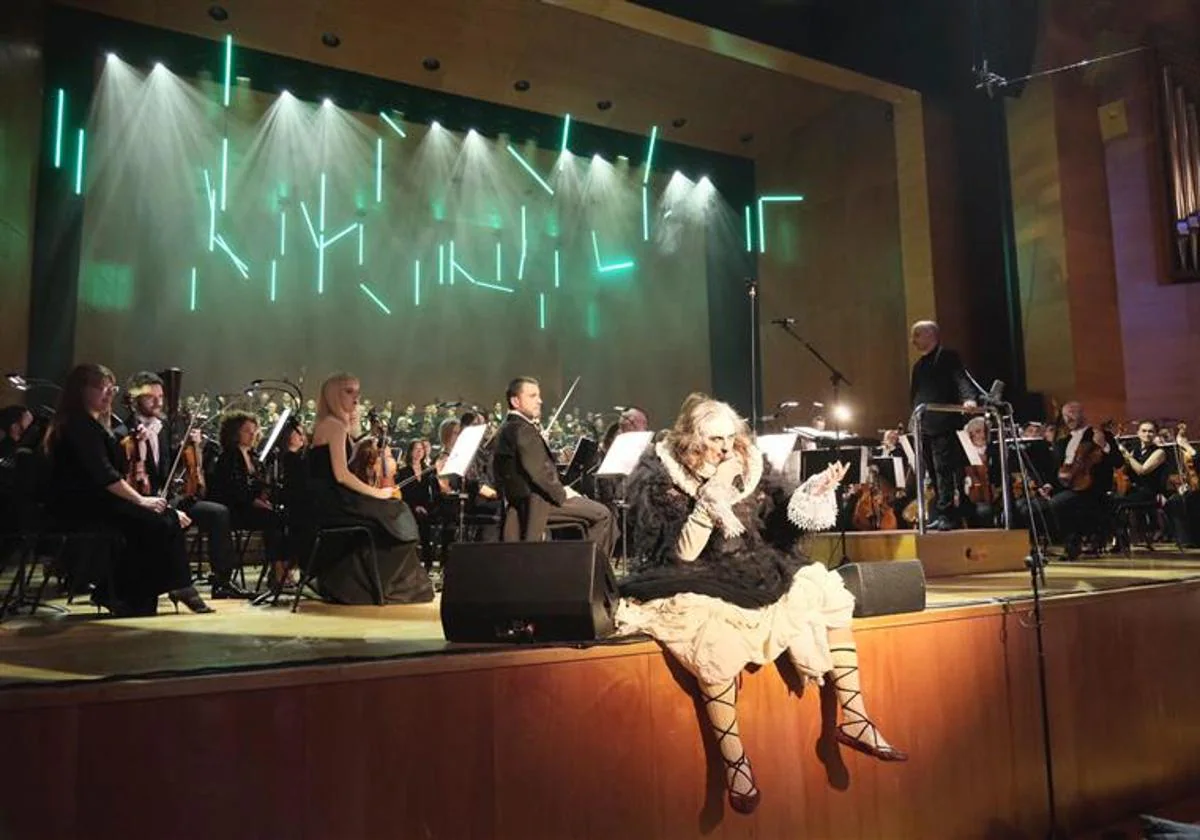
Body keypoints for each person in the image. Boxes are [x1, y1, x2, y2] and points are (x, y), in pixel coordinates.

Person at [617, 394, 905, 815]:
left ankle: (855, 718)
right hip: (693, 574)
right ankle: (735, 761)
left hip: (752, 568)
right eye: (714, 440)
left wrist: (813, 493)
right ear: (691, 439)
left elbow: (777, 529)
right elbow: (683, 554)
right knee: (708, 633)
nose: (724, 448)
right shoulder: (665, 476)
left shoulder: (748, 464)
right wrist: (712, 496)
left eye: (729, 438)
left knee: (822, 585)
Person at [42, 364, 210, 616]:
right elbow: (104, 475)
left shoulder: (94, 424)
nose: (109, 394)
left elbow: (114, 469)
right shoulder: (79, 425)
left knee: (162, 518)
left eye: (112, 389)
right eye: (102, 388)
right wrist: (141, 500)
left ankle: (132, 594)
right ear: (81, 390)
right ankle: (154, 590)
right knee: (157, 520)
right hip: (80, 507)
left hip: (98, 502)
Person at [306, 373, 434, 604]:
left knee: (393, 509)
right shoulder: (334, 426)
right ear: (333, 395)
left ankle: (374, 582)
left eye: (357, 392)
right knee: (397, 510)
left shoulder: (329, 424)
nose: (356, 399)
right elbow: (341, 475)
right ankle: (386, 585)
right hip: (335, 502)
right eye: (348, 392)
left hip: (328, 499)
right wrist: (377, 493)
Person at [123, 371, 249, 598]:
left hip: (169, 498)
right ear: (135, 399)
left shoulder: (162, 428)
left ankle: (222, 581)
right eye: (151, 397)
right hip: (144, 502)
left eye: (161, 397)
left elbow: (171, 464)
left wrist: (192, 445)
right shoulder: (125, 432)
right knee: (170, 520)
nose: (158, 402)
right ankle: (177, 583)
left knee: (218, 513)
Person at [492, 377, 615, 555]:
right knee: (602, 514)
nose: (540, 401)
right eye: (533, 396)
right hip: (538, 504)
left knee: (587, 513)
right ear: (515, 401)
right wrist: (563, 493)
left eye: (539, 396)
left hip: (522, 504)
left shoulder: (507, 428)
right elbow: (540, 474)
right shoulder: (523, 429)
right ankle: (590, 568)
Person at [909, 320, 977, 530]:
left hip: (944, 423)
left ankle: (948, 514)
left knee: (944, 469)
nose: (913, 340)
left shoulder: (948, 357)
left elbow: (961, 378)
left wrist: (969, 398)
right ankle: (941, 512)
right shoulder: (919, 366)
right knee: (932, 470)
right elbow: (915, 395)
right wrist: (913, 418)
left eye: (917, 334)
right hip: (925, 424)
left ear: (930, 334)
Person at [209, 411, 285, 579]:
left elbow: (258, 486)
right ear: (234, 433)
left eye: (254, 431)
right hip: (235, 510)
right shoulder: (228, 456)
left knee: (284, 516)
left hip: (251, 507)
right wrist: (255, 501)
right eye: (247, 431)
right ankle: (278, 569)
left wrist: (266, 494)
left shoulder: (254, 456)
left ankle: (282, 567)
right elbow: (233, 490)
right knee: (273, 519)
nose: (252, 435)